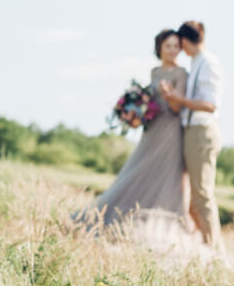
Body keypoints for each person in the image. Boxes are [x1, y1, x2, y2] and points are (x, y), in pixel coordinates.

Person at [77, 29, 194, 232]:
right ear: (160, 48)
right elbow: (149, 103)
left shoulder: (181, 73)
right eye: (168, 46)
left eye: (176, 46)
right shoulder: (155, 72)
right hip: (152, 129)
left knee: (164, 175)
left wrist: (170, 95)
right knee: (138, 170)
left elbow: (177, 108)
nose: (173, 50)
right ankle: (118, 218)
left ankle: (155, 224)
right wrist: (134, 112)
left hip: (170, 130)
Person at [161, 20, 224, 249]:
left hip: (202, 133)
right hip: (191, 132)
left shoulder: (209, 64)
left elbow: (210, 105)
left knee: (202, 196)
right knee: (192, 198)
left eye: (180, 44)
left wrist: (179, 100)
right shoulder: (197, 62)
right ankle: (204, 245)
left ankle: (215, 251)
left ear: (186, 42)